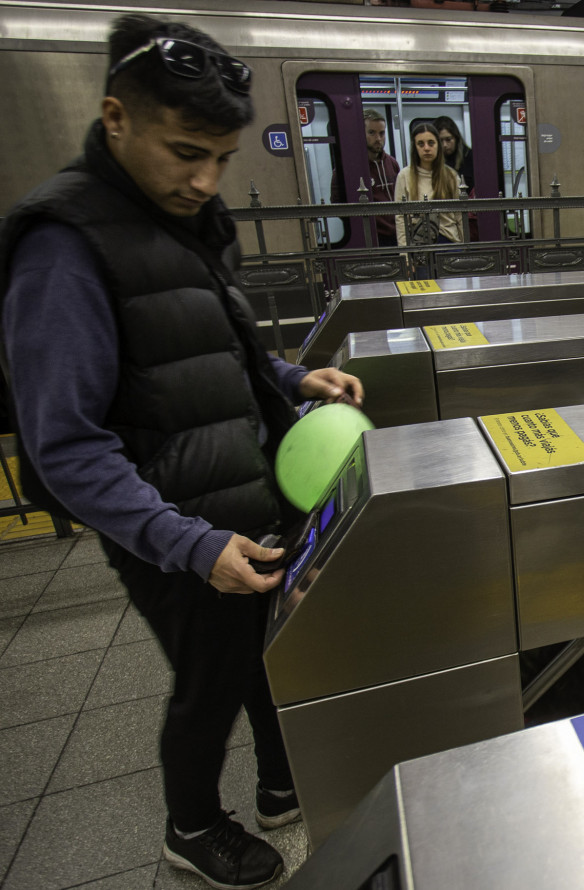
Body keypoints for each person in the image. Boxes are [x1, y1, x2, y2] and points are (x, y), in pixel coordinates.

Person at [0, 14, 364, 889]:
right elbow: (66, 448)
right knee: (211, 677)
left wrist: (288, 379)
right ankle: (192, 827)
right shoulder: (64, 250)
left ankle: (281, 784)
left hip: (243, 492)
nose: (205, 179)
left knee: (270, 648)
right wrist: (192, 548)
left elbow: (212, 342)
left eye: (221, 160)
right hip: (172, 527)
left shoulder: (180, 215)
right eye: (185, 152)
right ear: (115, 116)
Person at [394, 121, 464, 276]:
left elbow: (459, 215)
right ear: (415, 147)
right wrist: (405, 256)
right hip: (420, 245)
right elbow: (401, 218)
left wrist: (464, 247)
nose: (426, 148)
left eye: (431, 143)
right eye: (421, 144)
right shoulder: (405, 176)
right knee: (427, 295)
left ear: (437, 145)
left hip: (449, 241)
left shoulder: (450, 176)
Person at [337, 108, 400, 247]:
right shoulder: (348, 168)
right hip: (368, 237)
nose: (378, 139)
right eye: (372, 133)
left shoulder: (392, 163)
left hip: (397, 234)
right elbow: (338, 202)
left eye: (381, 133)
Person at [433, 114, 474, 193]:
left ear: (456, 138)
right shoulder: (432, 160)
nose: (444, 145)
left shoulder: (469, 156)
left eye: (448, 139)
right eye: (440, 141)